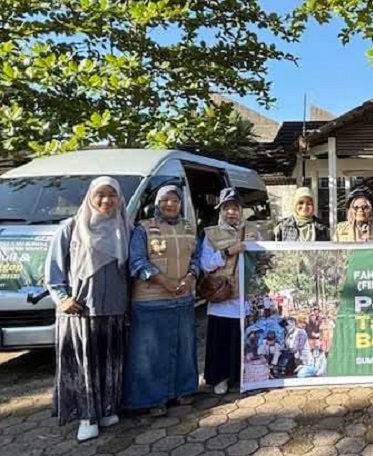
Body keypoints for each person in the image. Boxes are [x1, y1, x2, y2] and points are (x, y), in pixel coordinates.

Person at [46, 177, 130, 442]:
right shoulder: (71, 228)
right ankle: (86, 416)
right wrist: (62, 297)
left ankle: (106, 409)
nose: (106, 200)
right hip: (81, 312)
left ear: (119, 199)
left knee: (109, 363)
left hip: (114, 310)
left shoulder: (125, 228)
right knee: (84, 366)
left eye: (112, 195)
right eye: (100, 195)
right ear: (90, 197)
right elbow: (53, 271)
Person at [126, 185, 200, 416]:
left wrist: (191, 277)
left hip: (183, 298)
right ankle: (152, 398)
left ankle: (182, 391)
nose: (170, 205)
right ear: (156, 203)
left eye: (175, 201)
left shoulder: (189, 228)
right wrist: (163, 281)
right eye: (165, 200)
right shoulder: (143, 228)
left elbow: (196, 258)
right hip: (151, 300)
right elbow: (136, 262)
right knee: (150, 352)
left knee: (183, 347)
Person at [200, 187, 264, 395]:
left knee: (242, 338)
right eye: (227, 208)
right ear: (220, 210)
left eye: (235, 208)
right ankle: (220, 378)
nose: (231, 212)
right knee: (221, 339)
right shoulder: (211, 234)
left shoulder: (253, 231)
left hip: (245, 297)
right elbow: (205, 265)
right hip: (222, 298)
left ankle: (240, 377)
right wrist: (228, 252)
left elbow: (264, 260)